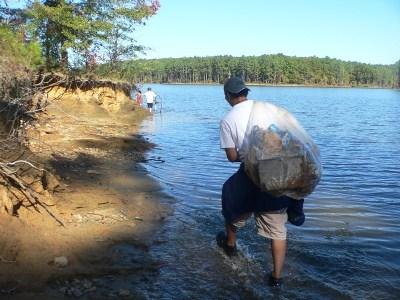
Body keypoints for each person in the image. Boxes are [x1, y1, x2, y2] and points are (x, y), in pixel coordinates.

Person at [217, 77, 305, 288]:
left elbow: (231, 157)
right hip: (277, 173)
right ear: (246, 93)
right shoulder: (266, 110)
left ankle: (230, 245)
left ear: (227, 96)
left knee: (230, 201)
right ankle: (276, 278)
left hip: (251, 174)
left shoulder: (228, 119)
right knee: (277, 228)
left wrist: (250, 155)